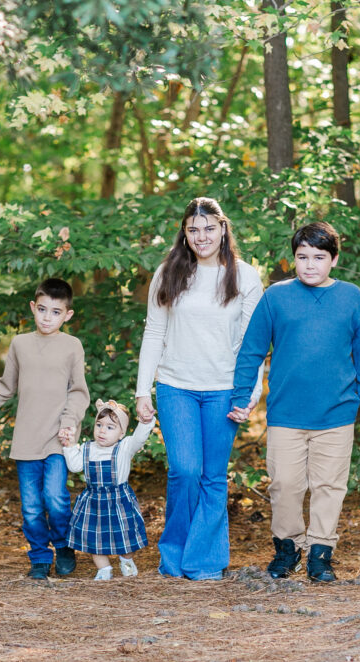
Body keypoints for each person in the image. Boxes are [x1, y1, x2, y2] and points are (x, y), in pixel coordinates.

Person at [228, 221, 360, 582]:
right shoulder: (276, 297)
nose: (310, 264)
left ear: (334, 260)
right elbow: (251, 352)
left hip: (337, 413)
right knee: (284, 484)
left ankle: (320, 553)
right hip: (286, 413)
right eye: (302, 257)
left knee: (330, 485)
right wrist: (241, 397)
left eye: (319, 257)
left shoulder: (350, 297)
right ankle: (287, 547)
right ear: (293, 259)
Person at [135, 197, 264, 580]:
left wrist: (250, 394)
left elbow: (252, 343)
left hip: (224, 388)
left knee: (212, 475)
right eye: (193, 229)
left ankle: (205, 561)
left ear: (223, 229)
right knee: (185, 471)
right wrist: (144, 390)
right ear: (185, 233)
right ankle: (173, 555)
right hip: (177, 386)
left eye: (209, 228)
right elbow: (154, 331)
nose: (202, 236)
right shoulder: (169, 273)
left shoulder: (246, 276)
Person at [0, 278, 90, 580]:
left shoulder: (72, 346)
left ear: (67, 315)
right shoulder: (20, 344)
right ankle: (40, 556)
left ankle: (64, 544)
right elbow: (6, 388)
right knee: (31, 506)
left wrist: (69, 424)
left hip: (59, 437)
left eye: (55, 312)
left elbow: (78, 391)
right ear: (33, 307)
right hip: (26, 440)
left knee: (55, 499)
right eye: (42, 309)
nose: (47, 317)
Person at [61, 399, 154, 580]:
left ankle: (126, 560)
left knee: (125, 536)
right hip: (94, 501)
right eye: (99, 425)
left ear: (121, 433)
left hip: (119, 500)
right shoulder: (88, 448)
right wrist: (70, 445)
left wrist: (145, 421)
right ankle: (104, 569)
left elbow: (140, 437)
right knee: (95, 538)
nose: (102, 430)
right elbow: (74, 466)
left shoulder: (125, 447)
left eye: (110, 427)